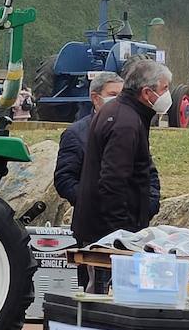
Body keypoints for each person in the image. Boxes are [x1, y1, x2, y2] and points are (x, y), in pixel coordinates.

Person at [71, 58, 171, 258]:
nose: (167, 94)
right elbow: (113, 181)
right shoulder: (125, 123)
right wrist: (122, 235)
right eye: (164, 88)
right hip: (110, 233)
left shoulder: (119, 111)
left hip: (102, 226)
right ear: (146, 93)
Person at [55, 71, 162, 220]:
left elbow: (149, 173)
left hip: (134, 222)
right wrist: (95, 204)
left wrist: (148, 205)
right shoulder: (76, 134)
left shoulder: (134, 126)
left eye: (121, 94)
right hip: (94, 224)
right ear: (95, 98)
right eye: (113, 94)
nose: (119, 100)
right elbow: (65, 180)